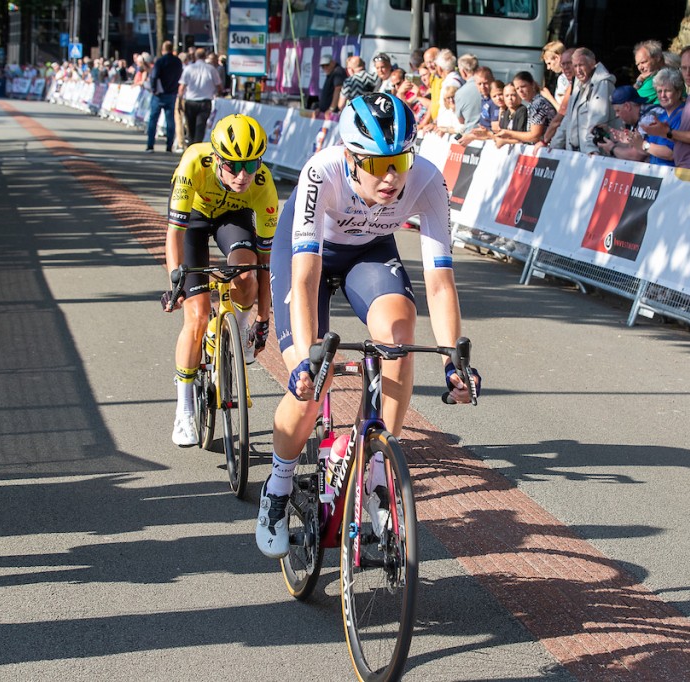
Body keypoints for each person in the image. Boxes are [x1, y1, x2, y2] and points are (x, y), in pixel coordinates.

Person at [256, 93, 480, 558]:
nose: (392, 177)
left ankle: (377, 474)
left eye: (399, 160)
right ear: (352, 159)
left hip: (369, 253)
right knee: (312, 380)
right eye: (377, 165)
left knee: (399, 335)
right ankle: (277, 487)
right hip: (307, 256)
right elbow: (305, 275)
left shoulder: (427, 181)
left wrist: (453, 359)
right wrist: (304, 357)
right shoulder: (323, 172)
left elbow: (439, 283)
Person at [163, 115, 278, 447]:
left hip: (233, 217)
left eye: (251, 164)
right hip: (195, 220)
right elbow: (174, 234)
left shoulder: (262, 185)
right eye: (232, 166)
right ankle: (184, 410)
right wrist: (176, 283)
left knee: (248, 276)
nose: (243, 175)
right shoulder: (193, 164)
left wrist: (263, 319)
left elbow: (265, 263)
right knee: (197, 316)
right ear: (216, 158)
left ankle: (237, 332)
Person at [550, 48, 618, 154]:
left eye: (581, 65)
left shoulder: (602, 83)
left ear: (592, 64)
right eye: (575, 66)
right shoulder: (577, 84)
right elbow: (568, 118)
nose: (578, 70)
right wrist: (555, 145)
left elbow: (598, 120)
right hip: (575, 153)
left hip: (593, 154)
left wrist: (591, 150)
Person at [618, 67, 684, 166]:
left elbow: (671, 154)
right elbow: (647, 151)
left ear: (678, 93)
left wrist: (644, 144)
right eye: (659, 91)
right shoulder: (661, 116)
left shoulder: (683, 115)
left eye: (667, 91)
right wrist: (633, 141)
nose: (662, 95)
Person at [597, 85, 660, 162]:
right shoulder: (638, 117)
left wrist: (612, 149)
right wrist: (609, 134)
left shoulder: (648, 119)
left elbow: (637, 155)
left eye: (617, 111)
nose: (617, 115)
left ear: (627, 106)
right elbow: (633, 146)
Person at [494, 70, 556, 147]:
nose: (520, 91)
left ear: (532, 85)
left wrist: (508, 133)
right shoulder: (533, 103)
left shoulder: (537, 104)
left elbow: (534, 136)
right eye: (517, 88)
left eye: (523, 86)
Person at [178, 47, 222, 147]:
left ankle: (191, 145)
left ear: (195, 56)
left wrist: (180, 100)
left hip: (190, 101)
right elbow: (219, 85)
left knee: (191, 126)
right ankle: (196, 146)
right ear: (205, 56)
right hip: (205, 102)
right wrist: (217, 92)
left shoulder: (189, 69)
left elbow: (182, 87)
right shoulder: (211, 69)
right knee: (200, 126)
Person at [145, 41, 183, 153]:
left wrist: (153, 89)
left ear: (163, 50)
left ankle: (150, 145)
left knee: (153, 120)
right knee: (170, 121)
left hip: (159, 94)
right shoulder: (177, 62)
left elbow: (154, 76)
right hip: (171, 93)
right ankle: (169, 146)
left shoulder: (160, 61)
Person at [454, 59, 491, 133]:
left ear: (463, 72)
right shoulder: (492, 89)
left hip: (471, 135)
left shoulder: (459, 93)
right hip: (488, 135)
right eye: (479, 84)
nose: (482, 87)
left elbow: (461, 120)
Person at [633, 40, 665, 105]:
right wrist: (639, 81)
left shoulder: (658, 79)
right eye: (638, 64)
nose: (640, 68)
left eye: (643, 62)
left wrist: (638, 82)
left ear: (657, 58)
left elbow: (628, 101)